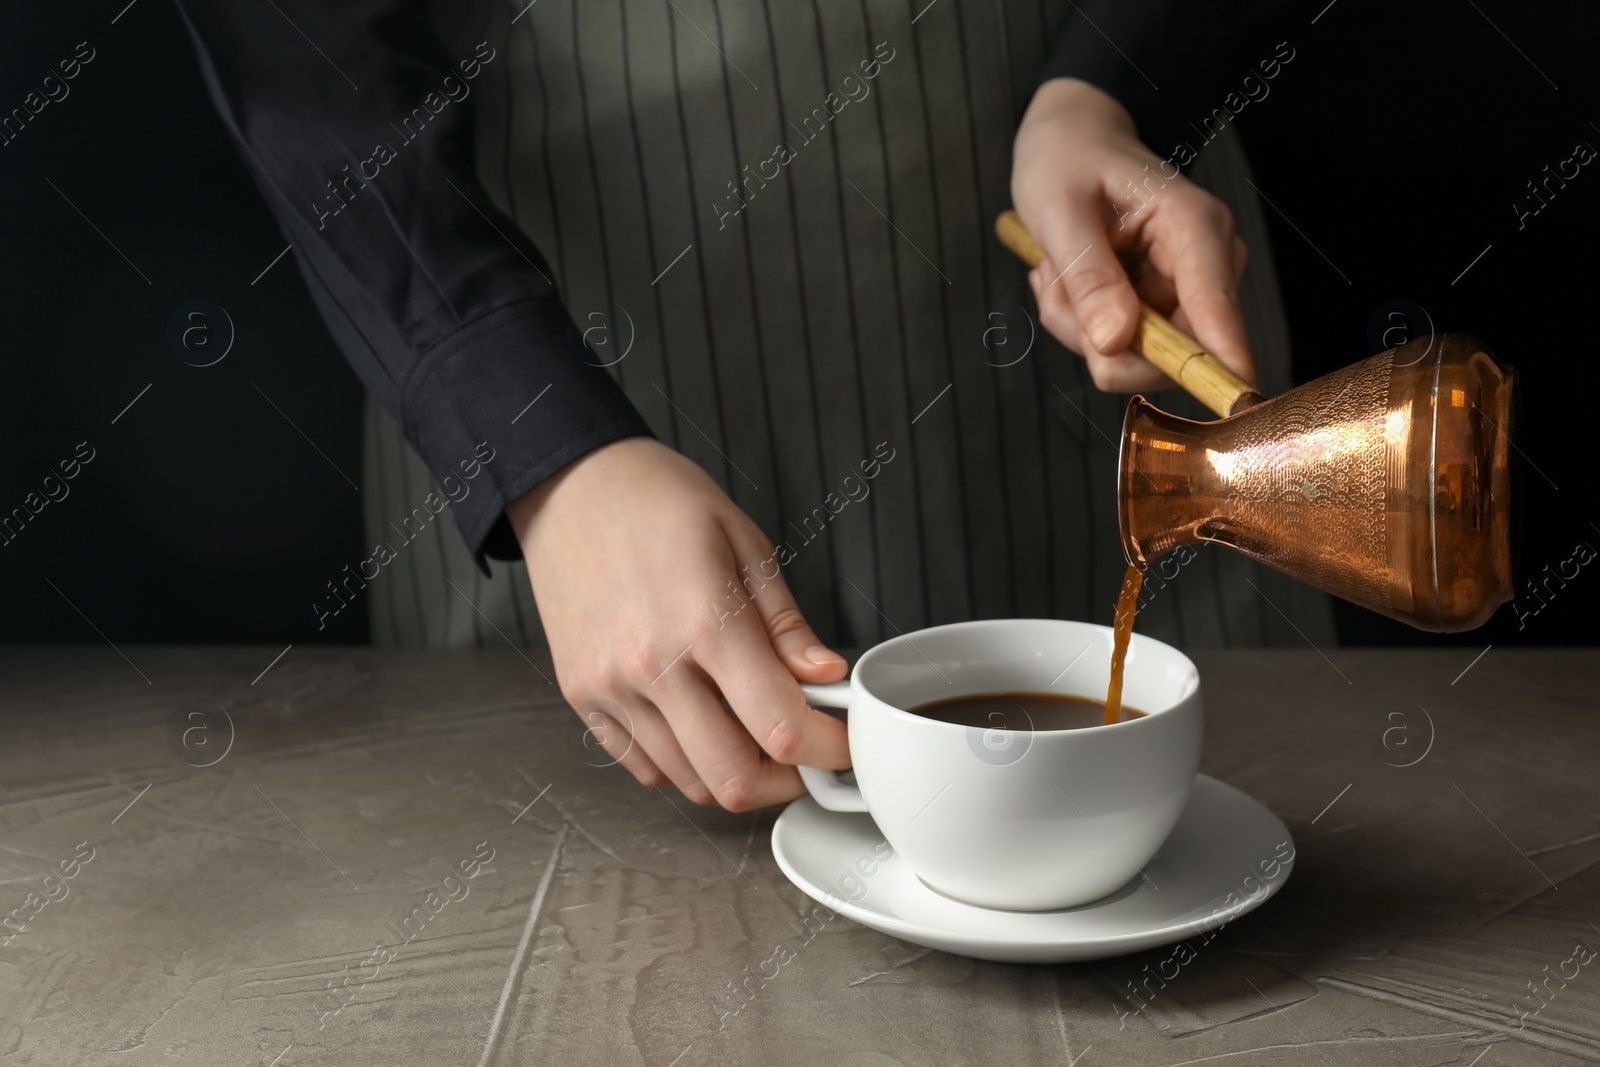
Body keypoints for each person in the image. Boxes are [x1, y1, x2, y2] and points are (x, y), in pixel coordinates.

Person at [177, 0, 1320, 812]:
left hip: (1108, 274)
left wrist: (1115, 82)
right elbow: (291, 37)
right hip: (573, 386)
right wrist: (539, 445)